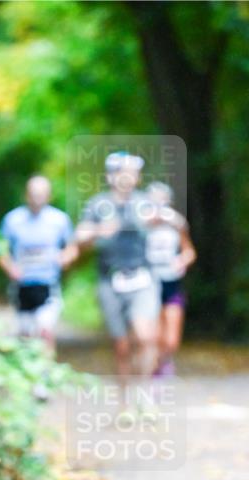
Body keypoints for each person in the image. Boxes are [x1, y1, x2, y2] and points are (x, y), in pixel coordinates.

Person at [75, 152, 159, 380]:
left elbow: (167, 220)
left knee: (145, 336)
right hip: (109, 279)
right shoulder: (98, 205)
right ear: (111, 176)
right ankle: (125, 401)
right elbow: (80, 236)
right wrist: (98, 231)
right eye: (123, 172)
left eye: (133, 173)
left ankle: (145, 392)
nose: (129, 177)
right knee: (121, 345)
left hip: (143, 276)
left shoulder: (144, 203)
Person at [0, 175, 77, 354]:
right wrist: (10, 268)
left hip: (48, 284)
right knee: (25, 334)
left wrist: (64, 258)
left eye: (41, 194)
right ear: (26, 195)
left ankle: (46, 374)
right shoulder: (12, 220)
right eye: (33, 194)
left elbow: (72, 247)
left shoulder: (59, 220)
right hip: (21, 285)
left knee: (45, 330)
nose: (37, 198)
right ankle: (28, 374)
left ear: (49, 196)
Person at [144, 181, 196, 377]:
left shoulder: (176, 223)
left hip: (172, 282)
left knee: (171, 339)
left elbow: (189, 251)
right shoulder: (141, 224)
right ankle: (154, 373)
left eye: (162, 199)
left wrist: (182, 261)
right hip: (149, 284)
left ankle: (165, 361)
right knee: (154, 335)